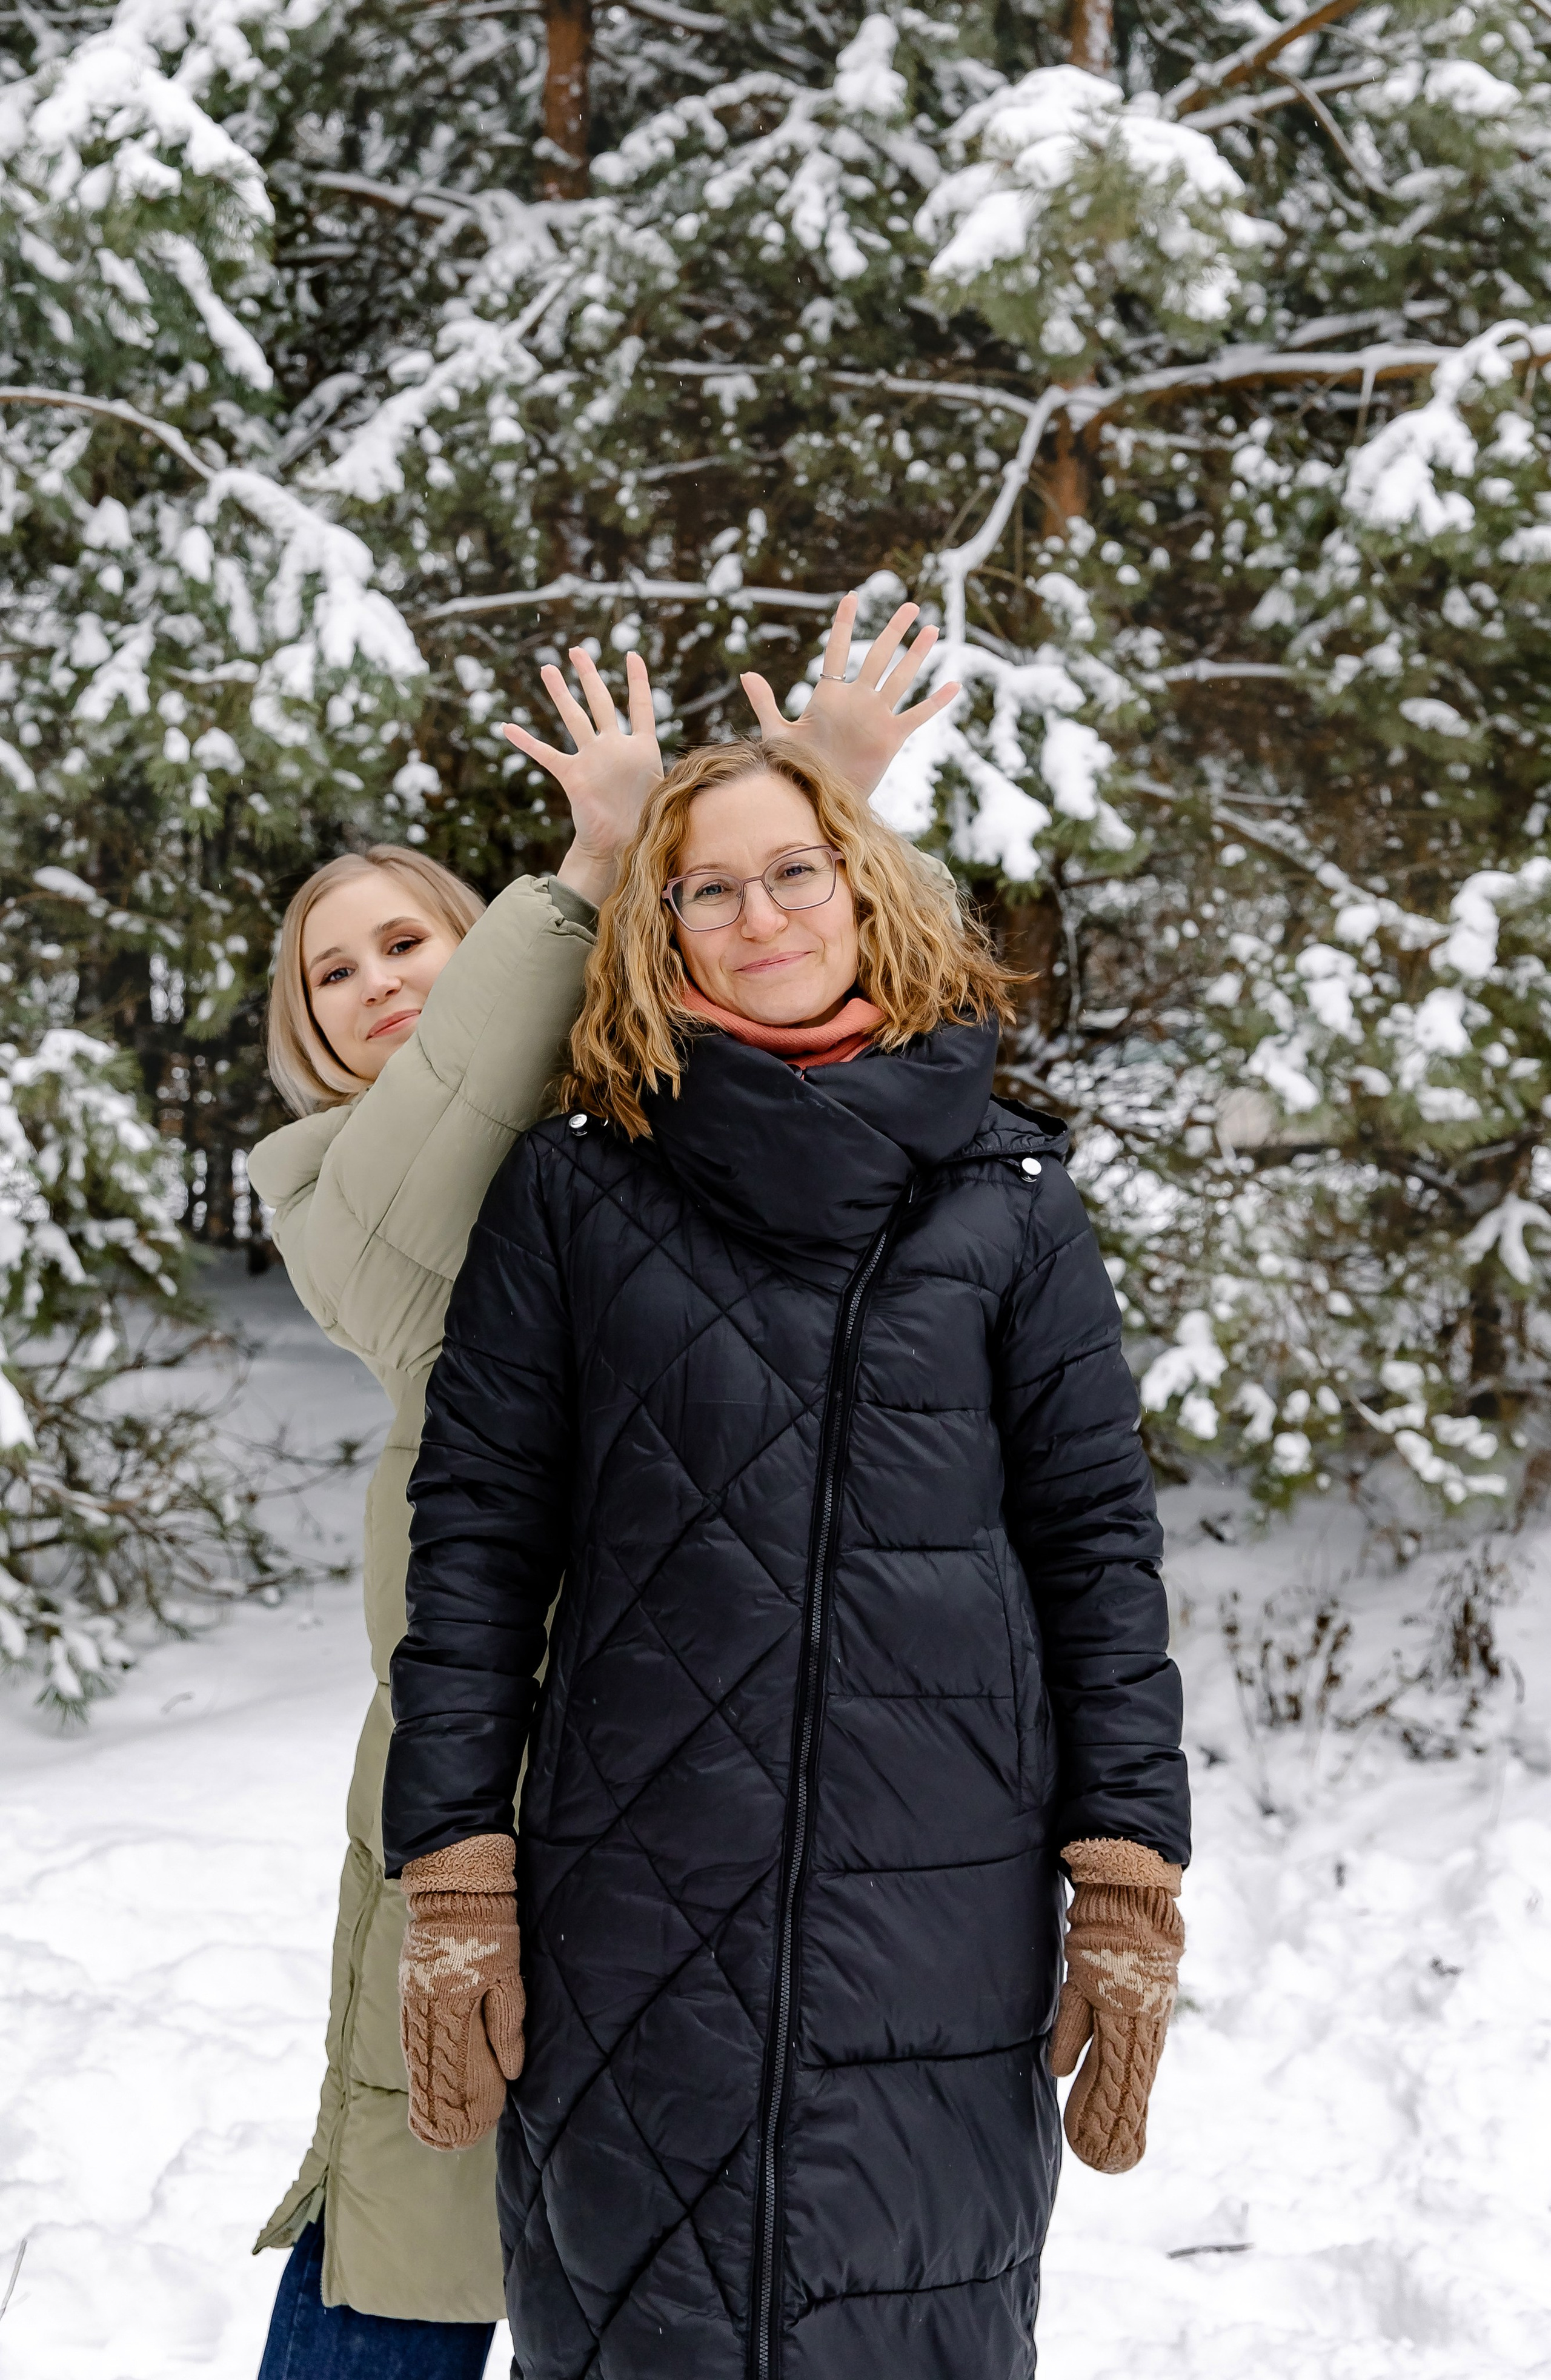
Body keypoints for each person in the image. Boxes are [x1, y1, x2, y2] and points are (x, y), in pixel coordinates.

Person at [380, 734, 1192, 2380]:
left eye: (795, 868)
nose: (760, 912)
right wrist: (457, 1861)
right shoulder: (574, 1191)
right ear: (663, 924)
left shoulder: (1011, 1201)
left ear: (865, 885)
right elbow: (476, 1534)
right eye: (711, 886)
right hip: (631, 1907)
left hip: (945, 1910)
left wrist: (1127, 1873)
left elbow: (1098, 1543)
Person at [245, 599, 961, 2373]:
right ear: (305, 1031)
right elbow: (444, 1132)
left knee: (653, 2255)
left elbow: (811, 1051)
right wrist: (592, 849)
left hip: (683, 1777)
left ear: (487, 946)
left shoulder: (609, 1132)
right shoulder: (338, 1194)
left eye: (409, 936)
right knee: (407, 2252)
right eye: (332, 971)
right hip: (478, 1783)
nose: (378, 979)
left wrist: (818, 798)